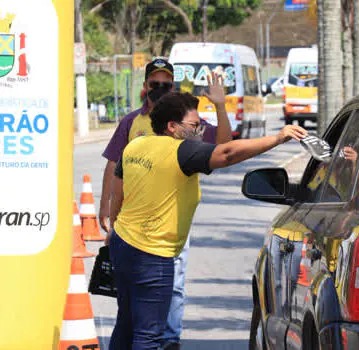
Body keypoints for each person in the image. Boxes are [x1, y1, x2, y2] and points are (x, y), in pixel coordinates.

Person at [106, 85, 307, 349]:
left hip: (123, 243)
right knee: (148, 335)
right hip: (153, 254)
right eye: (194, 125)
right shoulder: (181, 151)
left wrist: (113, 231)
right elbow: (227, 153)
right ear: (172, 126)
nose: (199, 130)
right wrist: (278, 138)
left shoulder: (136, 146)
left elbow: (117, 195)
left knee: (126, 324)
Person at [100, 58, 232, 347]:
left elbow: (223, 146)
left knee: (171, 290)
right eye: (154, 84)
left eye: (166, 84)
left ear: (173, 86)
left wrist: (220, 106)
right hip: (134, 232)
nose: (159, 88)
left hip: (169, 223)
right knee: (138, 320)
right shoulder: (132, 122)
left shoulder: (187, 124)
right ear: (145, 86)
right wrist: (109, 215)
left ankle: (170, 340)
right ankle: (158, 338)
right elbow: (115, 168)